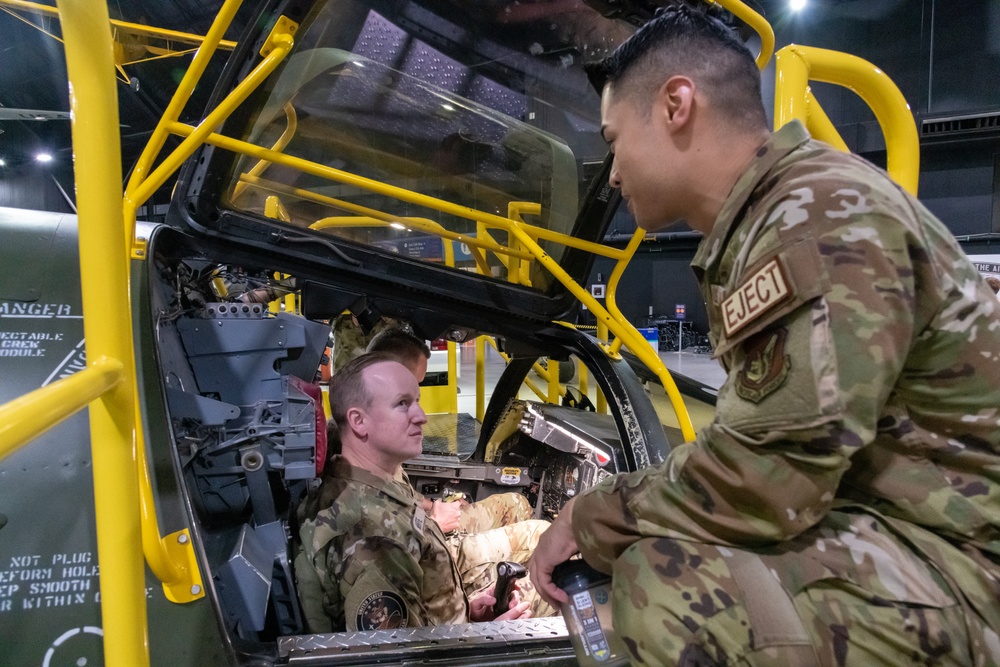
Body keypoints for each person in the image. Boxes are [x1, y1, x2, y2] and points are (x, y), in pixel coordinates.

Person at [527, 5, 1000, 666]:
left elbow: (765, 478)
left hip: (963, 567)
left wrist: (588, 517)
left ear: (676, 105)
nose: (611, 173)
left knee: (668, 585)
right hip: (903, 532)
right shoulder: (781, 212)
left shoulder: (816, 217)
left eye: (614, 140)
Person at [295, 352, 547, 632]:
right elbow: (404, 658)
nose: (422, 417)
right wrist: (489, 635)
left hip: (455, 632)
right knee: (562, 586)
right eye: (402, 404)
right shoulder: (375, 543)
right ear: (358, 421)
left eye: (416, 401)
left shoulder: (368, 489)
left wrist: (466, 615)